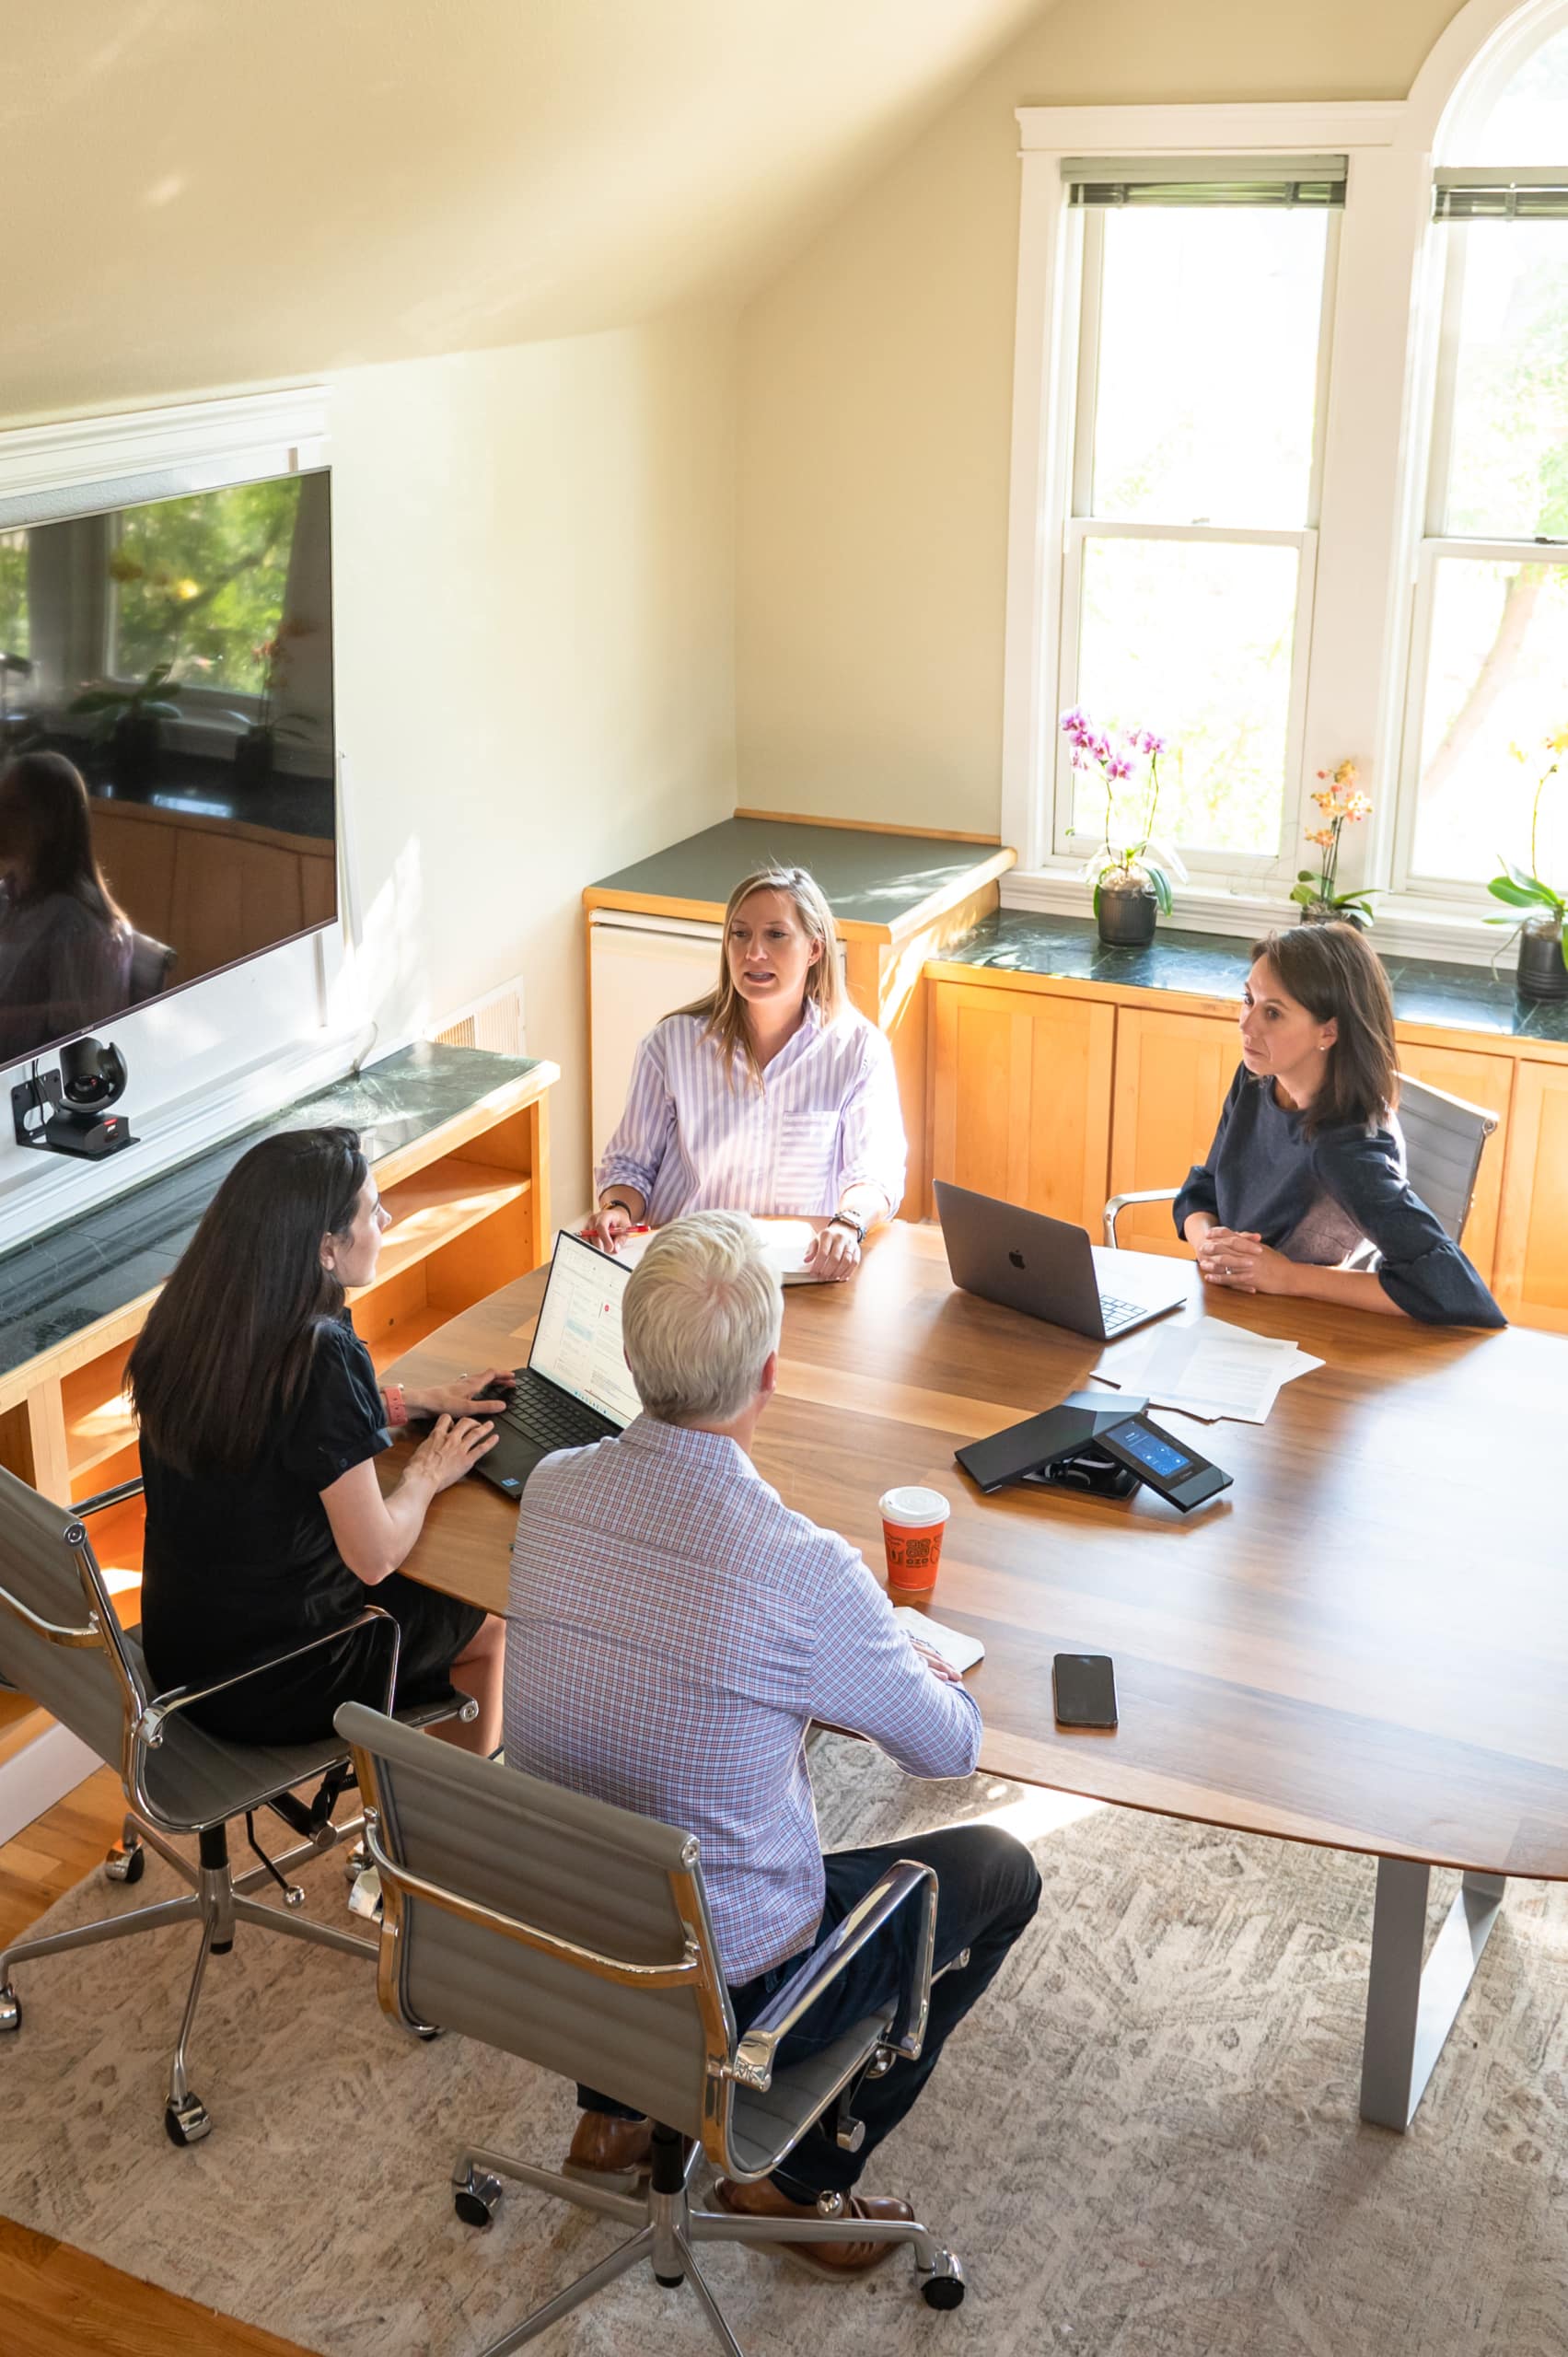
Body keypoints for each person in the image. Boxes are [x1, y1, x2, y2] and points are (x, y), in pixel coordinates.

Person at [503, 1211, 1040, 2276]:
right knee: (995, 1872)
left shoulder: (553, 1487)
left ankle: (611, 2112)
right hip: (729, 1990)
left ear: (627, 1353)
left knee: (621, 1786)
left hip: (561, 1949)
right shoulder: (801, 1568)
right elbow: (947, 1752)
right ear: (769, 1375)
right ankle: (794, 2179)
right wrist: (887, 1651)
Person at [131, 1126, 511, 1751]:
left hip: (182, 1656)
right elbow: (374, 1555)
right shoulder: (318, 1352)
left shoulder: (190, 1315)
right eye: (371, 1210)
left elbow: (268, 1429)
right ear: (326, 1249)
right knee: (486, 1630)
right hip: (278, 1676)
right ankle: (444, 1840)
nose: (385, 1219)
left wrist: (409, 1401)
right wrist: (429, 1471)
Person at [585, 865, 905, 1280]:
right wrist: (618, 1210)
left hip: (798, 1275)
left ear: (814, 949)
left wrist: (848, 1224)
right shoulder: (670, 1044)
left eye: (775, 934)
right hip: (689, 1270)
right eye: (740, 934)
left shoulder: (860, 1051)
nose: (754, 952)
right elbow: (631, 1167)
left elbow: (875, 1173)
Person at [1174, 924, 1504, 1326]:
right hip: (1233, 1307)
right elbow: (1205, 1188)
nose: (1246, 1025)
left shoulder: (1346, 1147)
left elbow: (1456, 1289)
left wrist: (1287, 1277)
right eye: (1248, 1000)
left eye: (1273, 1012)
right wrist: (1208, 1243)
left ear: (1328, 1031)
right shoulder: (1256, 1078)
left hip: (1307, 1329)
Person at [0, 749, 133, 1063]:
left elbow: (78, 1040)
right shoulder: (11, 894)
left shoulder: (79, 927)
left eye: (13, 809)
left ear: (48, 824)